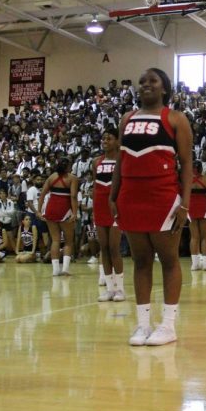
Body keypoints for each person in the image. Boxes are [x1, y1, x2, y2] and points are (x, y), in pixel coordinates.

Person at [110, 67, 193, 346]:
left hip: (163, 196)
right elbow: (121, 160)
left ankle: (168, 325)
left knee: (169, 260)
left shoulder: (175, 119)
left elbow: (187, 164)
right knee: (141, 261)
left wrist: (185, 204)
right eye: (142, 81)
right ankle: (143, 325)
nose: (146, 85)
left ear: (165, 88)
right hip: (131, 196)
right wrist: (114, 194)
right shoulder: (126, 119)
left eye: (153, 81)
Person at [93, 129, 125, 302]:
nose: (105, 141)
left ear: (117, 141)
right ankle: (109, 289)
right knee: (103, 247)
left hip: (116, 206)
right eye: (103, 138)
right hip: (99, 206)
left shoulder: (122, 160)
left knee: (114, 247)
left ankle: (120, 289)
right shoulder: (96, 162)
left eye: (109, 138)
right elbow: (95, 187)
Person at [38, 157, 79, 276]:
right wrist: (75, 213)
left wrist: (39, 211)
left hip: (51, 209)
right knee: (68, 241)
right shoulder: (72, 178)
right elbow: (73, 197)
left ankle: (55, 270)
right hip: (64, 209)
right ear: (67, 167)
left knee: (55, 240)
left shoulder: (51, 177)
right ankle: (65, 268)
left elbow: (42, 194)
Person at [188, 161, 206, 271]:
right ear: (201, 169)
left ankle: (194, 264)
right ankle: (205, 263)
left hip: (191, 208)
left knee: (194, 237)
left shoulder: (187, 179)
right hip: (204, 207)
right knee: (205, 236)